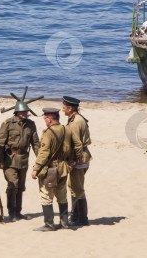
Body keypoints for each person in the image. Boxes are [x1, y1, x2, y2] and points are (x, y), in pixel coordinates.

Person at [0, 101, 40, 222]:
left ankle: (18, 212)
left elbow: (36, 144)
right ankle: (11, 212)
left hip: (23, 159)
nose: (25, 113)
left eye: (26, 111)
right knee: (12, 185)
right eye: (23, 112)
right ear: (17, 112)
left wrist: (41, 159)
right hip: (10, 159)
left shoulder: (31, 125)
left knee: (20, 187)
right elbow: (0, 143)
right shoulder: (8, 123)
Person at [31, 107, 70, 231]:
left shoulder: (48, 133)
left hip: (51, 169)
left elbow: (44, 153)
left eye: (45, 118)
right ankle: (64, 223)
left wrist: (35, 169)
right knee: (62, 195)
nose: (44, 120)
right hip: (64, 167)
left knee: (46, 196)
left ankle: (49, 224)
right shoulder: (66, 129)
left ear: (49, 119)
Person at [63, 95, 92, 226]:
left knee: (78, 188)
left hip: (79, 158)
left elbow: (77, 144)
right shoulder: (76, 119)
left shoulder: (75, 122)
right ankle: (75, 215)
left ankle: (82, 218)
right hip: (82, 157)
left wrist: (74, 160)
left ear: (70, 108)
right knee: (73, 186)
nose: (62, 110)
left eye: (64, 107)